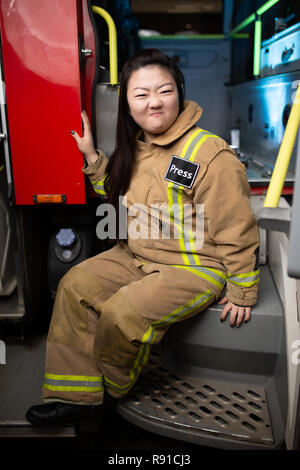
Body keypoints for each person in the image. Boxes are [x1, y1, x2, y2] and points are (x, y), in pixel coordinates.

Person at [26, 49, 259, 428]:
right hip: (137, 256)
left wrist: (243, 289)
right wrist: (92, 158)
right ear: (128, 105)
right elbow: (120, 195)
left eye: (164, 91)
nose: (154, 102)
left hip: (194, 267)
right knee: (74, 285)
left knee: (123, 314)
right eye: (141, 94)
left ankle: (111, 393)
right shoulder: (135, 146)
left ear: (179, 93)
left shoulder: (208, 153)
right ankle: (74, 396)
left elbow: (236, 225)